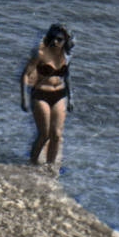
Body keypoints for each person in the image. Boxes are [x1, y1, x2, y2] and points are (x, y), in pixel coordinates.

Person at [21, 23, 74, 168]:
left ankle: (50, 167)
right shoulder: (40, 54)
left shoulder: (67, 56)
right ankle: (32, 164)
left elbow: (67, 76)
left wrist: (71, 97)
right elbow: (25, 75)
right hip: (41, 94)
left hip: (60, 95)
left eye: (59, 39)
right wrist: (24, 99)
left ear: (65, 41)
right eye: (53, 38)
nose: (55, 42)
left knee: (56, 135)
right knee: (44, 134)